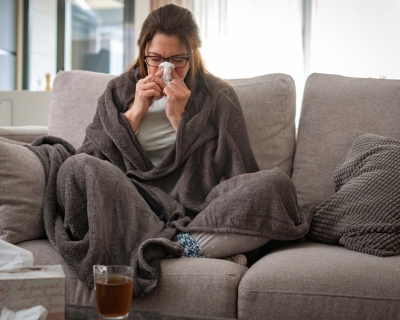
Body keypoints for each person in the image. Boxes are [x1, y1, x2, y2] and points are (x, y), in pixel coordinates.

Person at [30, 4, 310, 297]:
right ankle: (196, 246)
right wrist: (134, 114)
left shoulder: (219, 97)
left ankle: (171, 245)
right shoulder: (118, 93)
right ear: (142, 53)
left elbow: (238, 173)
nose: (166, 69)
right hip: (134, 205)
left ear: (193, 55)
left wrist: (181, 121)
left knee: (276, 185)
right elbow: (91, 163)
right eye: (156, 59)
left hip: (198, 208)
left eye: (178, 60)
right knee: (76, 168)